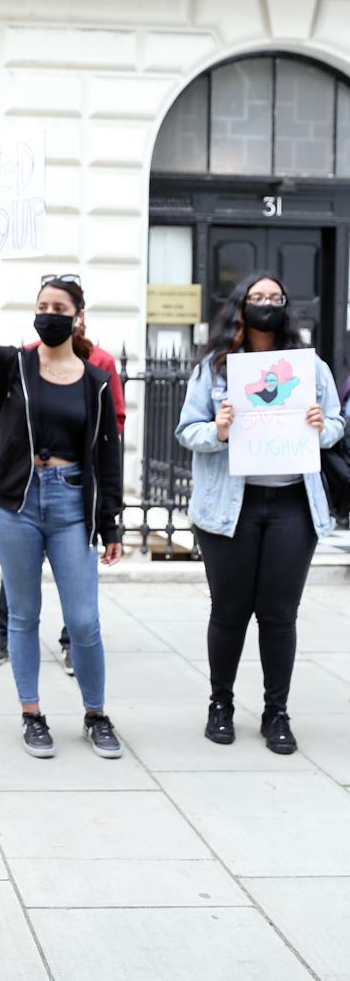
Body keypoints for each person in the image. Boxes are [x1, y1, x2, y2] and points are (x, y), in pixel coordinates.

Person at [175, 272, 343, 755]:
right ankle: (221, 705)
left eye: (274, 297)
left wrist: (320, 424)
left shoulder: (310, 369)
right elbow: (188, 430)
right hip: (233, 506)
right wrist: (219, 430)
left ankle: (277, 712)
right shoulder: (216, 367)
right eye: (257, 297)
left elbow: (335, 424)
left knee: (279, 615)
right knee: (229, 612)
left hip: (293, 504)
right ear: (240, 306)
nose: (266, 304)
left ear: (285, 306)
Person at [0, 272, 124, 760]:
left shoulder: (96, 380)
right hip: (17, 506)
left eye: (59, 308)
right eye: (42, 307)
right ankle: (32, 715)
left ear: (78, 317)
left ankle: (96, 714)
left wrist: (110, 522)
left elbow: (107, 457)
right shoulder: (11, 366)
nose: (49, 315)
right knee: (24, 617)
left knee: (84, 621)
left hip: (73, 504)